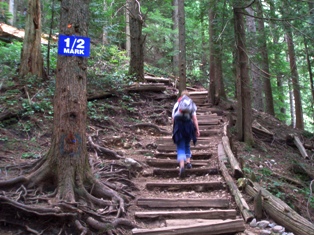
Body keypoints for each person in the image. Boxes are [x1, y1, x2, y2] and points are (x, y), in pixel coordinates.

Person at [172, 90, 200, 178]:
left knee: (180, 146)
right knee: (187, 144)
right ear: (189, 96)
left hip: (179, 127)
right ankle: (188, 162)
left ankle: (182, 167)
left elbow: (173, 118)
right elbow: (194, 118)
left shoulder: (177, 103)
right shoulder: (191, 104)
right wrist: (197, 129)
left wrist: (173, 129)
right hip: (188, 126)